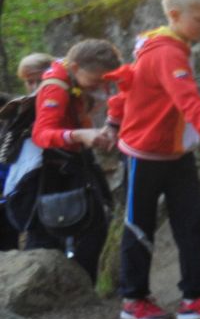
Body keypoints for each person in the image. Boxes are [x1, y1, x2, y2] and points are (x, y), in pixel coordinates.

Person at [107, 0, 200, 319]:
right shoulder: (165, 51)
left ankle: (195, 297)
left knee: (192, 226)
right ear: (175, 15)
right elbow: (187, 99)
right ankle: (134, 299)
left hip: (177, 154)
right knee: (139, 227)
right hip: (143, 153)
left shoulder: (173, 46)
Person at [13, 39, 120, 279]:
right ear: (75, 69)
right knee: (50, 233)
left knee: (92, 223)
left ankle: (80, 288)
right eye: (95, 80)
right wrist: (80, 135)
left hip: (71, 161)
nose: (100, 85)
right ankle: (51, 291)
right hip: (49, 172)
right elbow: (42, 134)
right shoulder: (55, 87)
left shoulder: (75, 76)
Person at [0, 53, 56, 252]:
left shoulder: (46, 106)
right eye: (28, 81)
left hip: (35, 185)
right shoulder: (17, 112)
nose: (33, 86)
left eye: (37, 80)